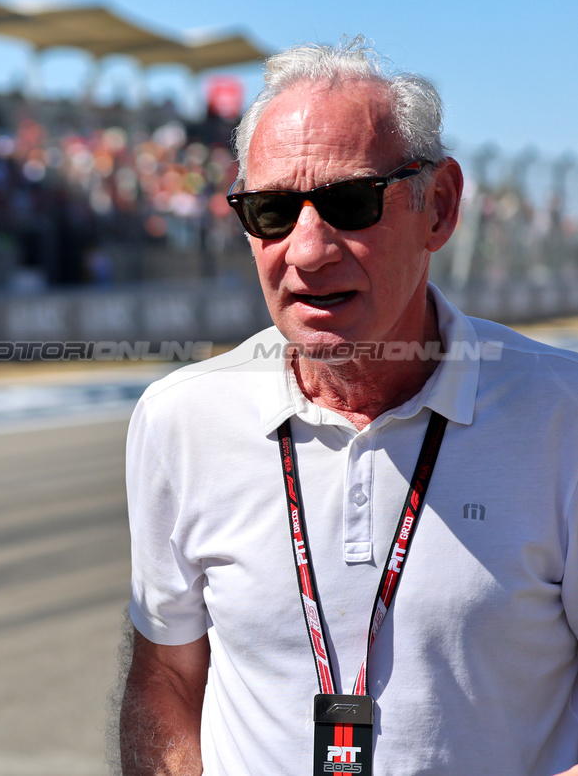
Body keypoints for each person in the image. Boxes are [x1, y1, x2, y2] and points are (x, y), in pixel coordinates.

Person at [118, 38, 578, 775]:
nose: (305, 250)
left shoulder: (562, 416)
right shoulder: (179, 418)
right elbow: (166, 679)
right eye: (269, 210)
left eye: (348, 203)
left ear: (440, 207)